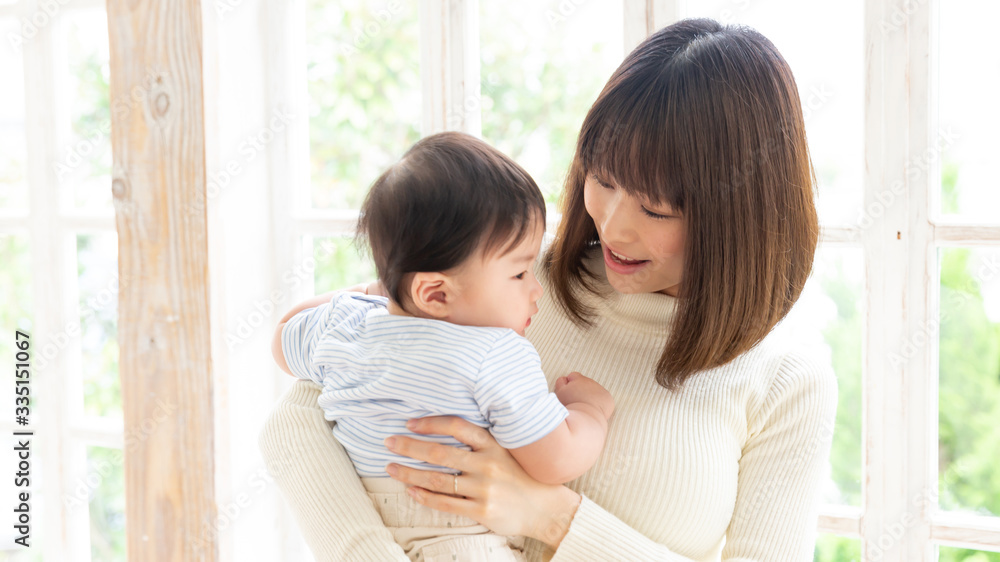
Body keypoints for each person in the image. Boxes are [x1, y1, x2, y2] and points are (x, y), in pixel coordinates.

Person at [259, 18, 837, 562]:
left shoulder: (786, 381)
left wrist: (552, 516)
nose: (611, 224)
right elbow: (297, 421)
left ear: (740, 214)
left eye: (656, 209)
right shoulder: (504, 280)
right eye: (602, 179)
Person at [270, 132, 615, 561]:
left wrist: (375, 290)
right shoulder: (496, 353)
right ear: (434, 294)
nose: (536, 289)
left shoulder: (347, 325)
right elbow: (556, 461)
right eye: (520, 274)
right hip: (463, 545)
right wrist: (590, 412)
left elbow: (283, 338)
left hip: (368, 523)